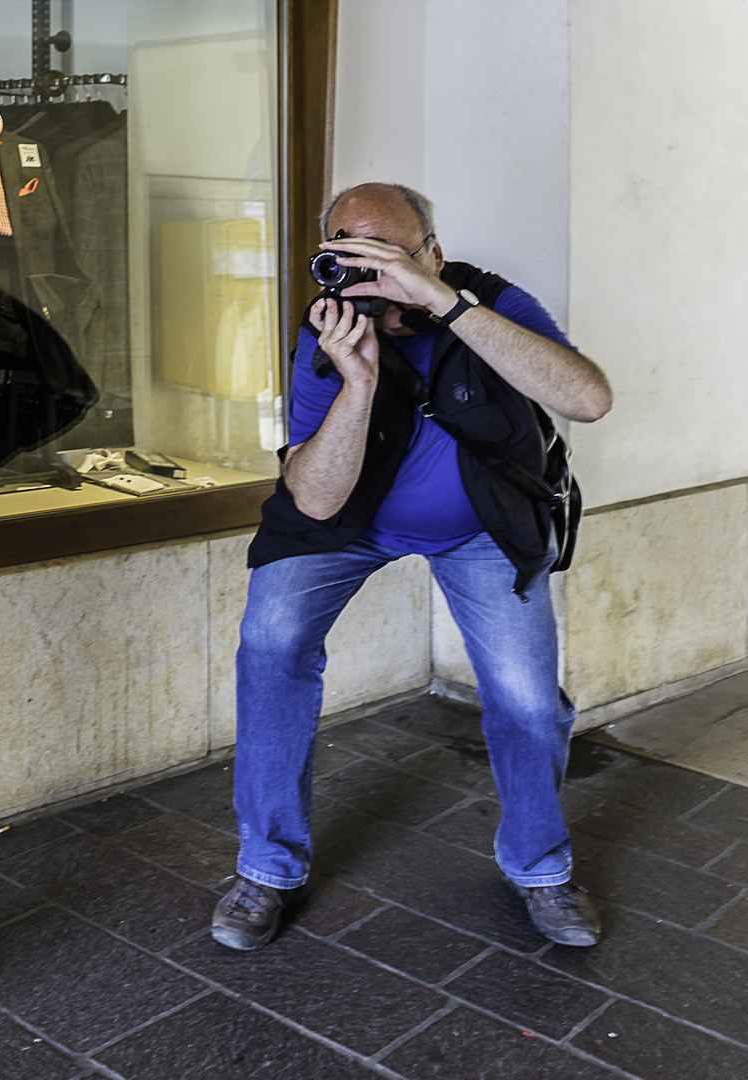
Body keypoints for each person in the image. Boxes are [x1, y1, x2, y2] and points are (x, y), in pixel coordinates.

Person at [210, 182, 613, 953]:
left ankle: (539, 866)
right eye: (341, 251)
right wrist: (356, 380)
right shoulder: (325, 328)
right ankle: (267, 866)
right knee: (270, 649)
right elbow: (316, 501)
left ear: (430, 249)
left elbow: (588, 399)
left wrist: (443, 303)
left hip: (479, 528)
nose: (361, 271)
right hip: (349, 527)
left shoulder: (488, 302)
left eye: (382, 253)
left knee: (527, 701)